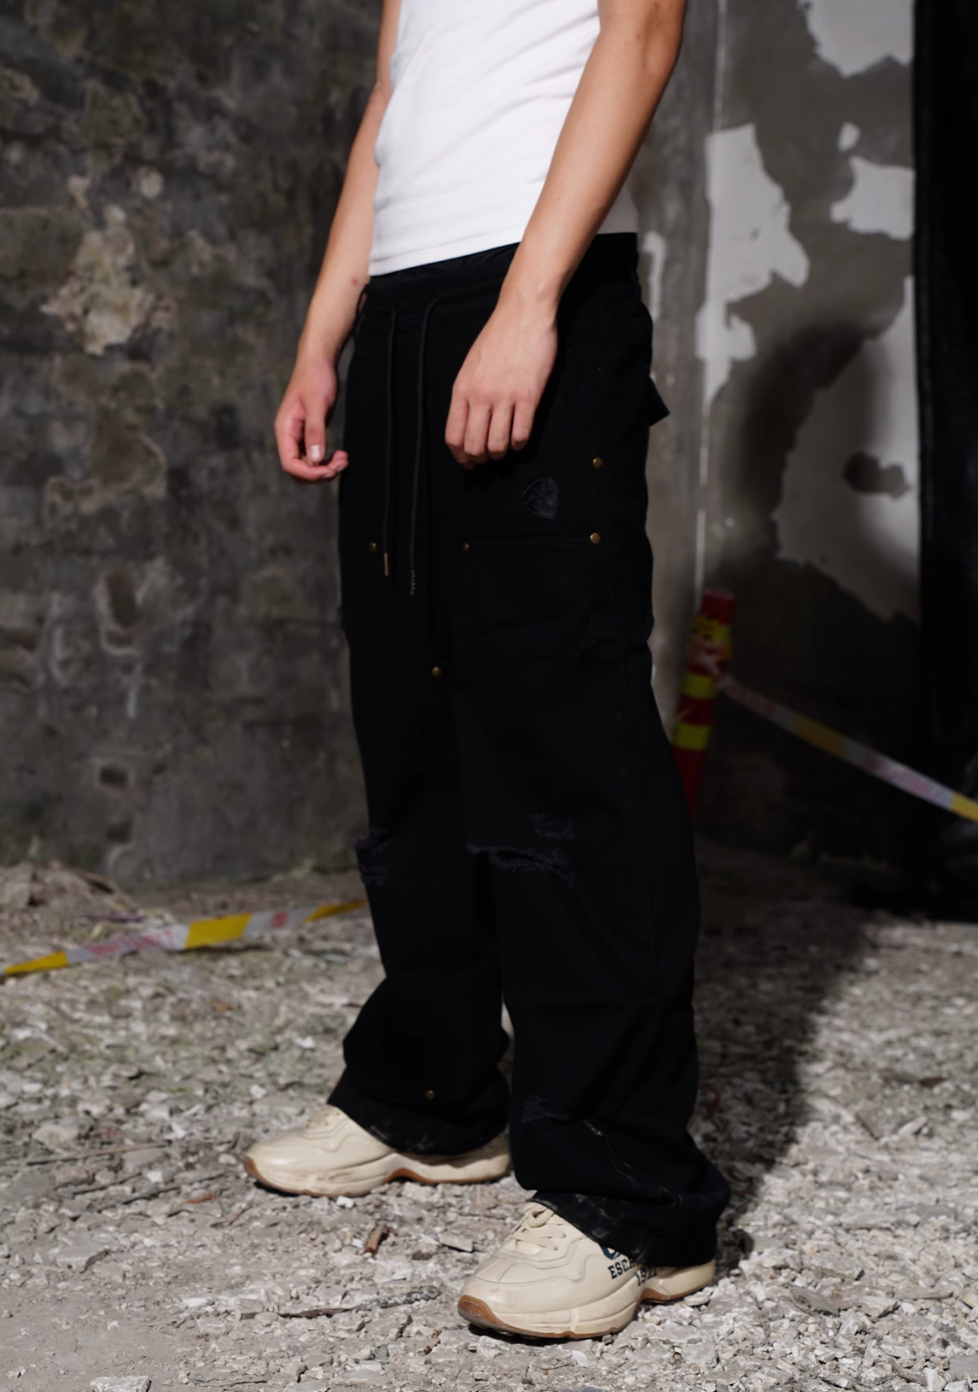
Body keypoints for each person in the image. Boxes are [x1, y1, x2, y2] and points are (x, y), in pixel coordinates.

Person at [245, 0, 730, 1340]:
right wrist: (324, 338)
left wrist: (529, 304)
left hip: (535, 284)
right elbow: (389, 105)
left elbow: (641, 34)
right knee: (409, 726)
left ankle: (629, 1193)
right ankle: (434, 1091)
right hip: (403, 316)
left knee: (560, 742)